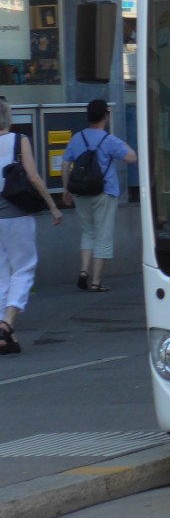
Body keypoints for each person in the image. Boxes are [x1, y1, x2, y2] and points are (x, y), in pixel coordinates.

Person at [0, 95, 63, 355]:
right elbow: (34, 177)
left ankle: (3, 334)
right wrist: (52, 205)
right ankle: (8, 322)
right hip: (17, 214)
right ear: (8, 117)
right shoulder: (18, 140)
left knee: (1, 273)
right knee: (24, 268)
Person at [61, 99, 137, 293]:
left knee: (88, 232)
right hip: (105, 192)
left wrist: (66, 189)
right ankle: (96, 282)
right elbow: (131, 157)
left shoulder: (77, 138)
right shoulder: (108, 140)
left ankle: (84, 271)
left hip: (80, 192)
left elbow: (64, 163)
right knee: (103, 235)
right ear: (106, 116)